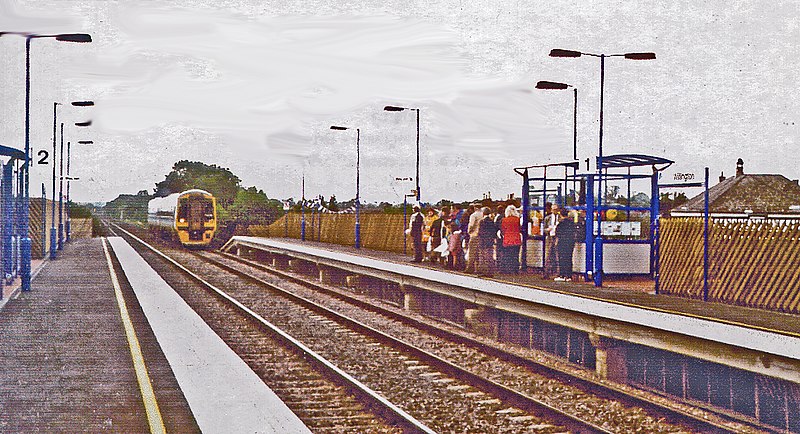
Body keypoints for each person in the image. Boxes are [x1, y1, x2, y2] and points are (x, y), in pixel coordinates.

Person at [554, 208, 577, 281]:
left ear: (560, 215)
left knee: (562, 259)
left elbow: (557, 234)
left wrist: (556, 242)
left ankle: (562, 275)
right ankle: (569, 276)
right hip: (570, 242)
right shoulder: (572, 223)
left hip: (562, 243)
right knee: (569, 258)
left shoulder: (561, 224)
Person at [500, 205, 522, 273]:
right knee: (515, 255)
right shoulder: (517, 219)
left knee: (508, 255)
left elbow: (503, 230)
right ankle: (515, 269)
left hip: (507, 239)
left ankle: (508, 270)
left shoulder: (504, 220)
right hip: (516, 239)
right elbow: (519, 228)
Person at [476, 206, 496, 277]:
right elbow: (494, 232)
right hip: (489, 241)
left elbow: (480, 232)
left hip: (483, 242)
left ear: (483, 213)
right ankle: (490, 271)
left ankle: (484, 271)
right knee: (489, 257)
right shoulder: (491, 221)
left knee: (483, 257)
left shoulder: (482, 221)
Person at [464, 204, 483, 273]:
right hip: (482, 235)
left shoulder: (473, 215)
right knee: (479, 252)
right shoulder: (483, 214)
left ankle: (470, 268)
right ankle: (478, 268)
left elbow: (471, 225)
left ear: (475, 208)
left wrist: (469, 232)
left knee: (472, 252)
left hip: (474, 235)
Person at [543, 202, 560, 277]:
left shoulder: (560, 217)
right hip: (550, 237)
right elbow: (544, 229)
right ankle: (546, 272)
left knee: (557, 255)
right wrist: (548, 230)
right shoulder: (547, 218)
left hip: (558, 237)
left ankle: (558, 273)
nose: (554, 211)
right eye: (553, 209)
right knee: (548, 255)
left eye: (556, 209)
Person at [494, 204, 505, 271]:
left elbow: (496, 227)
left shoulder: (498, 217)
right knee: (502, 250)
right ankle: (501, 264)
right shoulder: (504, 216)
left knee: (499, 250)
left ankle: (498, 265)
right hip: (503, 235)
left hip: (499, 236)